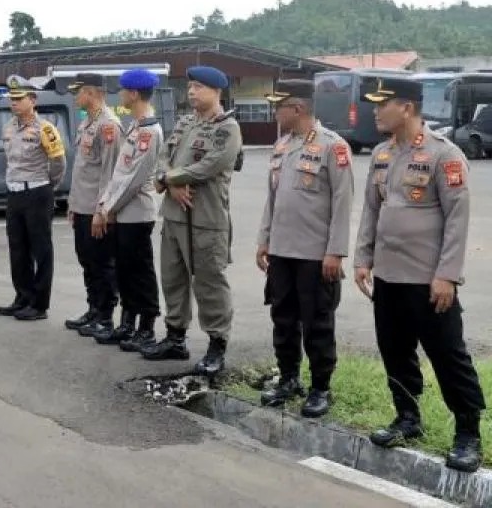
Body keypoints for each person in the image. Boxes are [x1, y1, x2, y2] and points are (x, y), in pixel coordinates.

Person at [354, 76, 483, 473]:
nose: (376, 111)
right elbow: (372, 211)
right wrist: (362, 257)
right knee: (395, 351)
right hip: (389, 278)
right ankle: (407, 418)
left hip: (429, 280)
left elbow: (457, 220)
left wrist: (448, 274)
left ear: (406, 107)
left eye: (382, 104)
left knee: (448, 355)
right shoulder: (380, 154)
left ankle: (468, 433)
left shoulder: (445, 155)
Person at [256, 79, 353, 418]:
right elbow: (274, 198)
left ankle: (320, 387)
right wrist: (264, 239)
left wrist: (335, 251)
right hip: (282, 251)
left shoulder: (333, 146)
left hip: (315, 254)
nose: (274, 112)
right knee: (282, 318)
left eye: (278, 106)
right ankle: (288, 379)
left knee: (317, 324)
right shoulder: (282, 145)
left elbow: (343, 203)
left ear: (296, 109)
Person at [145, 66, 242, 376]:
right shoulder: (185, 123)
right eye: (190, 87)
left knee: (209, 282)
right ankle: (175, 337)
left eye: (198, 87)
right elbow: (164, 154)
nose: (191, 92)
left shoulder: (227, 128)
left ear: (216, 91)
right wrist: (168, 181)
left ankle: (217, 345)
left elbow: (211, 166)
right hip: (174, 215)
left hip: (206, 218)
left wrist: (170, 177)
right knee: (172, 279)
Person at [94, 69, 165, 352]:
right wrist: (105, 205)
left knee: (140, 271)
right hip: (123, 211)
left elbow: (134, 179)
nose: (120, 95)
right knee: (124, 270)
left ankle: (146, 327)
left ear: (134, 94)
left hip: (137, 211)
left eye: (123, 90)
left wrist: (108, 209)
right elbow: (118, 173)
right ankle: (128, 322)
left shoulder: (149, 130)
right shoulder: (135, 126)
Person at [0, 75, 67, 321]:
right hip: (14, 193)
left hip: (37, 192)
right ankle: (23, 297)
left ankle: (39, 304)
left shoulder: (45, 129)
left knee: (41, 250)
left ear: (33, 100)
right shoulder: (8, 127)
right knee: (18, 249)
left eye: (19, 99)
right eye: (12, 99)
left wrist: (48, 186)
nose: (14, 103)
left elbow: (58, 163)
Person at [63, 73, 124, 339]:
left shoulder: (108, 125)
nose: (75, 97)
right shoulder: (87, 122)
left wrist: (102, 210)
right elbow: (83, 170)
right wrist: (74, 205)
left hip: (97, 210)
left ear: (91, 92)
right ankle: (93, 308)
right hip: (83, 205)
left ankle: (106, 316)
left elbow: (109, 173)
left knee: (102, 263)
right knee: (87, 260)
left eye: (79, 92)